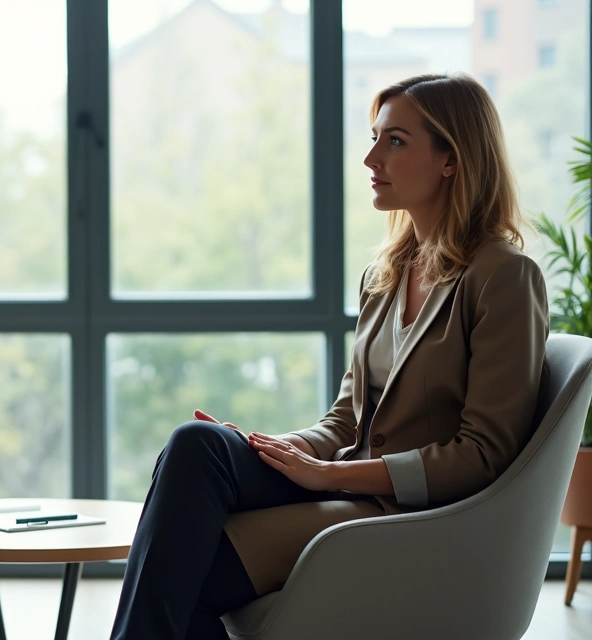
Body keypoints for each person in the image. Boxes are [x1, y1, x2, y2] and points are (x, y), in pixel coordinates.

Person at [109, 73, 549, 639]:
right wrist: (283, 449)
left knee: (184, 568)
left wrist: (333, 475)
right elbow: (347, 418)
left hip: (409, 514)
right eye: (374, 137)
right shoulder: (386, 275)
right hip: (344, 478)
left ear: (451, 160)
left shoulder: (504, 277)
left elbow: (483, 454)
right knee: (199, 445)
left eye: (395, 141)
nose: (370, 158)